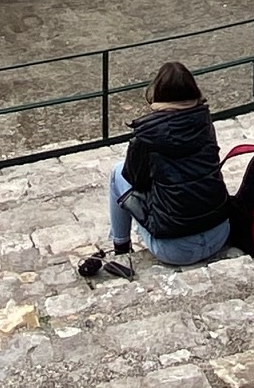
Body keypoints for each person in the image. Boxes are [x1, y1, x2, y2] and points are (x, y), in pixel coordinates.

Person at [98, 61, 232, 271]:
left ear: (157, 92)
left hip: (174, 249)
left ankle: (121, 247)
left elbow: (136, 182)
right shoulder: (205, 121)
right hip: (219, 233)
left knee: (117, 173)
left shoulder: (147, 135)